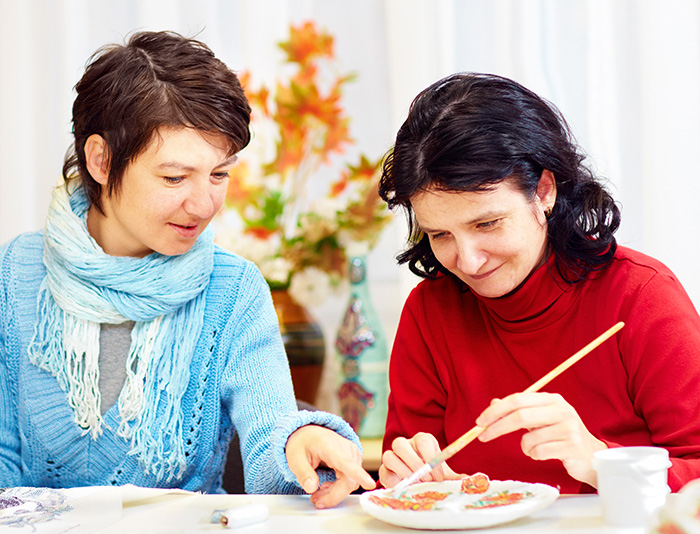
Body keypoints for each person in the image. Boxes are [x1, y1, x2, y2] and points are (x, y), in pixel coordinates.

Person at [0, 31, 375, 509]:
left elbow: (268, 435)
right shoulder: (15, 275)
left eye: (219, 174)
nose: (203, 204)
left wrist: (295, 445)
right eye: (174, 177)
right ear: (100, 160)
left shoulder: (233, 289)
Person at [377, 72, 700, 494]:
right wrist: (406, 476)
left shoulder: (640, 297)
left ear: (543, 191)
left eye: (487, 223)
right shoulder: (429, 311)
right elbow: (404, 477)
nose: (469, 261)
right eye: (441, 235)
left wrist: (600, 461)